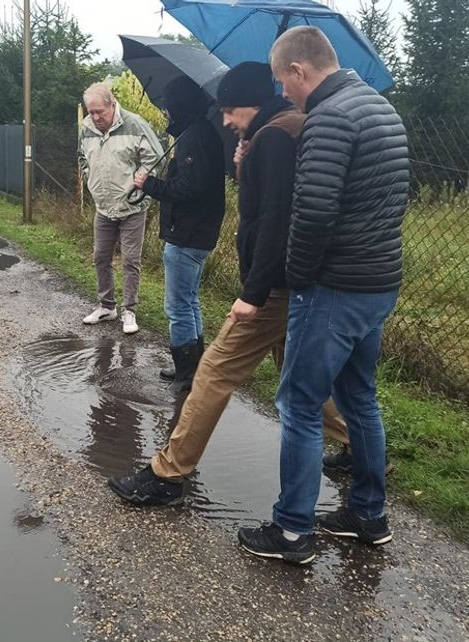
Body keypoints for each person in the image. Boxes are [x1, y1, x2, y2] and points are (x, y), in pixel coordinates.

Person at [109, 62, 349, 507]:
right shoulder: (283, 130)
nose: (225, 119)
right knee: (297, 372)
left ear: (252, 104)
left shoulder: (277, 135)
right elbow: (276, 200)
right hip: (294, 283)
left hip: (272, 287)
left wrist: (252, 294)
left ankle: (168, 473)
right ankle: (355, 445)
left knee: (214, 371)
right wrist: (245, 164)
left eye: (231, 111)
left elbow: (275, 221)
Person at [237, 27, 410, 565]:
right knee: (360, 398)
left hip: (333, 288)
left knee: (300, 405)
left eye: (282, 82)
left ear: (299, 71)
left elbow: (312, 215)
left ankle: (291, 532)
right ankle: (367, 515)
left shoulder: (330, 120)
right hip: (378, 284)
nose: (283, 94)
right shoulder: (382, 110)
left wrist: (299, 279)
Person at [130, 76, 225, 391]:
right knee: (190, 300)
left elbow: (189, 187)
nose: (166, 112)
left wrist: (149, 185)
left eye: (169, 106)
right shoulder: (197, 133)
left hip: (187, 234)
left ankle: (187, 373)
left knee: (178, 305)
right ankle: (195, 367)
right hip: (195, 233)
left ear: (179, 106)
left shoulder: (194, 137)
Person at [78, 83, 162, 335]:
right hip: (103, 206)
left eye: (99, 111)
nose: (95, 117)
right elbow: (82, 156)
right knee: (100, 256)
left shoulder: (135, 124)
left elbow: (157, 157)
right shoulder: (86, 127)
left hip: (132, 206)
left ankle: (129, 310)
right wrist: (88, 177)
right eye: (90, 112)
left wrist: (143, 180)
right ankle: (107, 306)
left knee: (130, 260)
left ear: (112, 104)